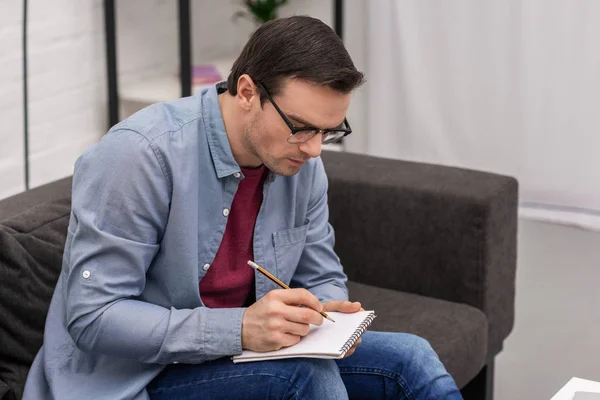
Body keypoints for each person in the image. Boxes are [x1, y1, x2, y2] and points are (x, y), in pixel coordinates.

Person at [23, 16, 462, 400]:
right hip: (133, 376)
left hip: (242, 354)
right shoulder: (139, 156)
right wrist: (239, 329)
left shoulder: (302, 164)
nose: (313, 149)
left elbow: (322, 272)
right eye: (301, 127)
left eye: (328, 131)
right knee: (303, 377)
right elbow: (93, 317)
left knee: (413, 357)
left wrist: (326, 312)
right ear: (248, 91)